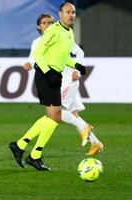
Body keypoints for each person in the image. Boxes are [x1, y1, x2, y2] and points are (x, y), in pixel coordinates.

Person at [8, 2, 87, 171]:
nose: (71, 15)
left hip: (54, 76)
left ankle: (21, 146)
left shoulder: (69, 32)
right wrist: (47, 72)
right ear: (60, 14)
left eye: (73, 12)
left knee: (53, 117)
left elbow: (62, 56)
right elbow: (37, 53)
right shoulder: (53, 30)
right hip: (45, 76)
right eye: (68, 12)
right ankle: (33, 154)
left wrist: (76, 65)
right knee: (55, 117)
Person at [22, 14, 104, 156]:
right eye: (44, 23)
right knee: (72, 114)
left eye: (50, 23)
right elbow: (34, 58)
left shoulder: (60, 36)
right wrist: (29, 64)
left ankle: (84, 128)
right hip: (54, 82)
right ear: (38, 26)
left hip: (67, 80)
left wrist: (76, 70)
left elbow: (79, 52)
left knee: (56, 114)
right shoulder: (36, 42)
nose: (47, 25)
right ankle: (96, 143)